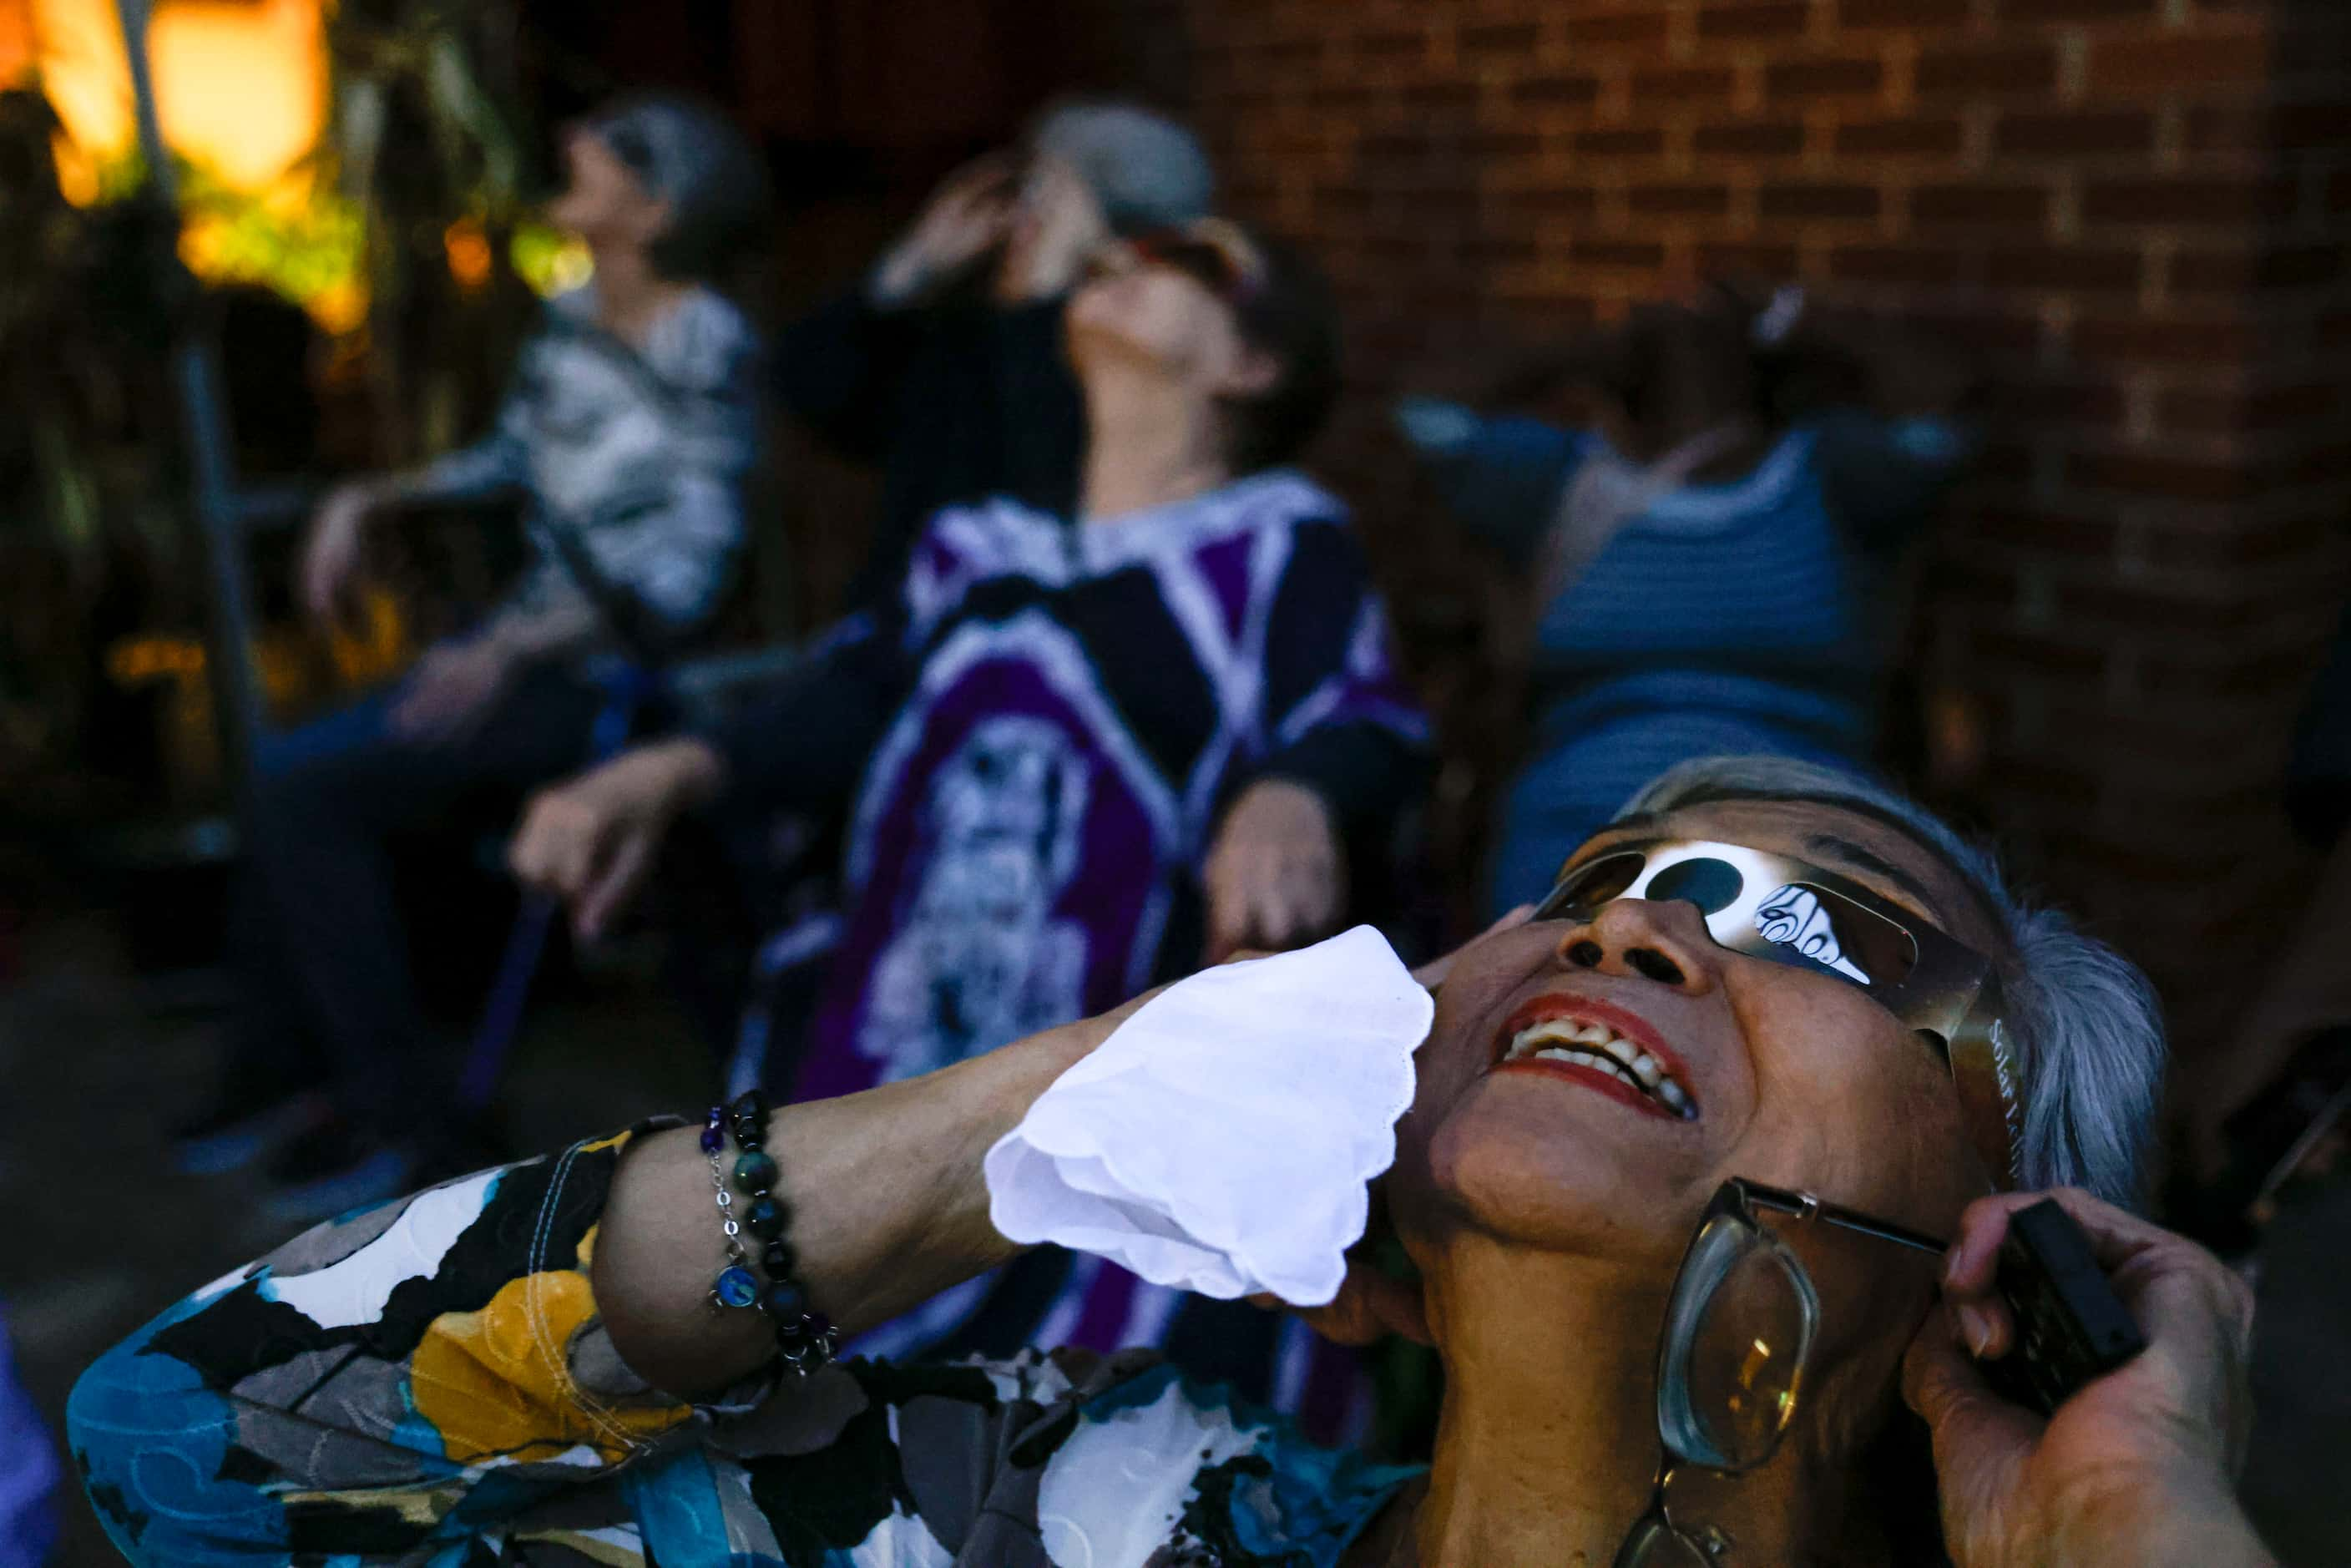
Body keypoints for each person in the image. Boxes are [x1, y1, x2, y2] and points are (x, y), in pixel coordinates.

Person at [71, 755, 2273, 1565]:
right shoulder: (1026, 1510)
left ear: (2020, 1226)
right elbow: (202, 1441)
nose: (1644, 923)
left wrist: (2132, 1518)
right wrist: (1042, 1106)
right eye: (1615, 871)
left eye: (1831, 931)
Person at [508, 219, 1428, 1415]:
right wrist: (656, 774)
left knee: (1079, 1436)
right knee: (779, 1383)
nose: (1119, 257)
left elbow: (1365, 718)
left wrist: (1295, 786)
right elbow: (847, 697)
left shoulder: (1281, 545)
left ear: (1250, 365)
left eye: (1184, 258)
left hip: (1112, 1097)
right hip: (889, 1037)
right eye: (1115, 247)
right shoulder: (972, 547)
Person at [169, 95, 768, 1219]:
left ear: (655, 205)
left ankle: (412, 1117)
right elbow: (510, 459)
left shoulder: (709, 342)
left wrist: (510, 643)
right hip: (523, 651)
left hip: (614, 681)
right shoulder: (572, 315)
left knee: (304, 790)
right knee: (284, 770)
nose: (572, 150)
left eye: (602, 150)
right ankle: (288, 1075)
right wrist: (371, 495)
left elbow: (689, 568)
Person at [1400, 284, 1974, 915]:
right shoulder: (1557, 476)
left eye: (1707, 333)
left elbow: (1943, 414)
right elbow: (1426, 411)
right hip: (1584, 811)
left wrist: (1801, 325)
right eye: (1665, 333)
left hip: (1798, 810)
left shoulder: (1828, 472)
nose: (1685, 341)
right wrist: (1587, 348)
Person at [776, 100, 1214, 601]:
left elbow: (1043, 492)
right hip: (912, 634)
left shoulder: (1131, 372)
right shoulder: (965, 338)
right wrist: (905, 272)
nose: (1013, 226)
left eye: (1037, 207)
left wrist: (1043, 304)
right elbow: (811, 392)